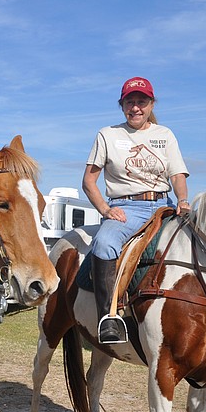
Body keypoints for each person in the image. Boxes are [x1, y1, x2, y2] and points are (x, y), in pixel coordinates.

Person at [82, 77, 190, 344]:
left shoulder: (165, 135)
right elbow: (88, 181)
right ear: (122, 106)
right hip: (127, 207)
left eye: (142, 101)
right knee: (105, 243)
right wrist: (106, 209)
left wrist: (183, 199)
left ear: (151, 104)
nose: (136, 107)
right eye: (130, 101)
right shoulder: (108, 135)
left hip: (164, 205)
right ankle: (108, 318)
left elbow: (177, 174)